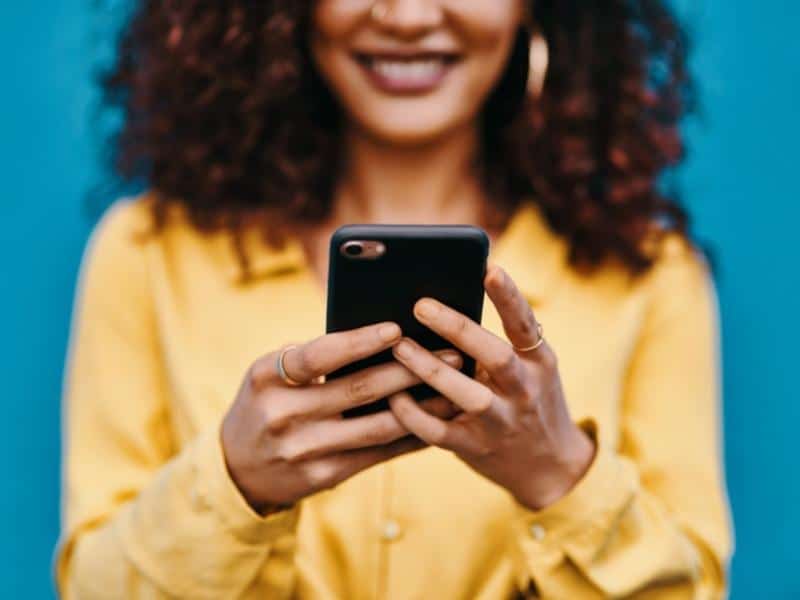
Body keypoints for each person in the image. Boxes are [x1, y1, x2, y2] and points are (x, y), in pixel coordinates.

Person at [56, 1, 732, 598]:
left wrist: (561, 478)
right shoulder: (147, 253)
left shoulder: (650, 274)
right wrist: (233, 487)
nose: (407, 17)